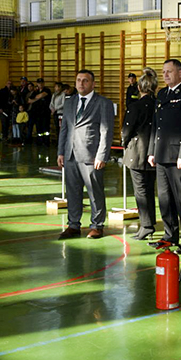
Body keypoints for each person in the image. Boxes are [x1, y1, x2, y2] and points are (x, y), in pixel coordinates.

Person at [147, 59, 181, 253]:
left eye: (169, 71)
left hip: (177, 155)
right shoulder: (161, 94)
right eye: (163, 72)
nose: (166, 75)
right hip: (161, 154)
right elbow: (156, 125)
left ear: (180, 73)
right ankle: (170, 236)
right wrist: (151, 151)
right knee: (164, 198)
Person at [57, 70, 115, 239]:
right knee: (72, 192)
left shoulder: (104, 103)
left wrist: (101, 155)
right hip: (70, 155)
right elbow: (65, 129)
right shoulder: (69, 102)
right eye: (78, 80)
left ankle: (97, 225)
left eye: (85, 81)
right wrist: (61, 151)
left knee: (94, 192)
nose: (81, 84)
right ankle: (73, 225)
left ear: (93, 84)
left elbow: (106, 131)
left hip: (91, 156)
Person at [122, 69, 158, 240]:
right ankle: (149, 223)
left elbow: (127, 130)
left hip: (137, 152)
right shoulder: (159, 104)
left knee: (140, 191)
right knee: (150, 189)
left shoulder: (135, 106)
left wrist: (124, 143)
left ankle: (146, 225)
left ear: (139, 87)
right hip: (155, 152)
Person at [28, 78, 52, 145]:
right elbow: (29, 99)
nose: (40, 84)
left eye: (41, 83)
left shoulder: (47, 90)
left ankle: (46, 141)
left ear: (44, 83)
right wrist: (35, 98)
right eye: (39, 83)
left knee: (45, 128)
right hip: (37, 113)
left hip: (45, 112)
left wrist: (34, 99)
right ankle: (40, 141)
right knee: (39, 128)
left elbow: (41, 95)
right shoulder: (35, 91)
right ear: (37, 84)